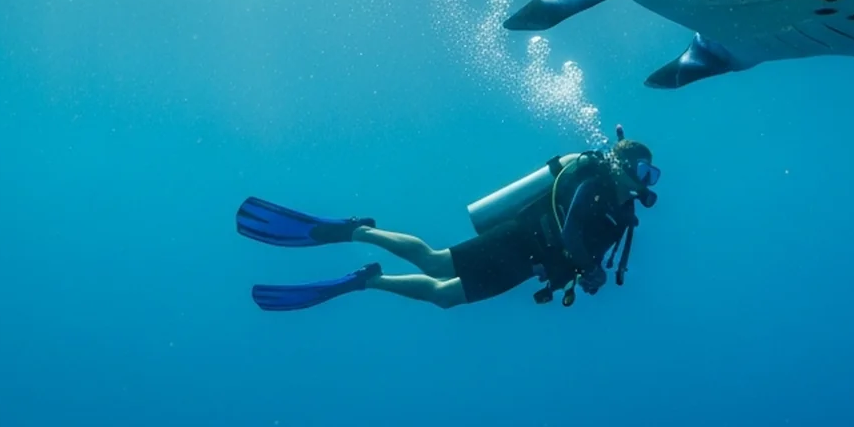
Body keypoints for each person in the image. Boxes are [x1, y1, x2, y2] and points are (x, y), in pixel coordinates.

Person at [235, 137, 660, 311]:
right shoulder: (594, 183)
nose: (645, 182)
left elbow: (589, 254)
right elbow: (570, 235)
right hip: (518, 241)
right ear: (621, 165)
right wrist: (590, 267)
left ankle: (368, 280)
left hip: (532, 267)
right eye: (643, 171)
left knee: (444, 299)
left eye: (651, 176)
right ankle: (355, 230)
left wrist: (592, 276)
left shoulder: (622, 219)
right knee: (437, 263)